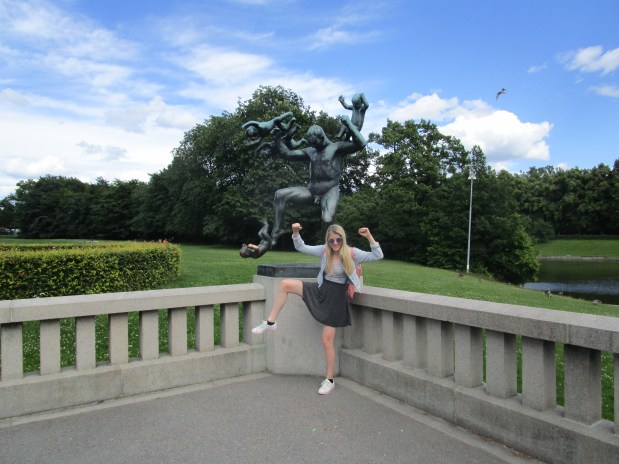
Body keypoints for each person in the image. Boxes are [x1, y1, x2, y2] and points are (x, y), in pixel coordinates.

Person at [252, 222, 383, 395]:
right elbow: (301, 247)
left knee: (327, 341)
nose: (335, 244)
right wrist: (295, 232)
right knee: (285, 285)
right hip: (321, 290)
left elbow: (377, 255)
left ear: (343, 239)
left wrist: (368, 236)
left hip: (336, 299)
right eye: (331, 241)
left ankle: (329, 380)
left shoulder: (352, 253)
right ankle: (270, 322)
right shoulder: (324, 250)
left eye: (338, 240)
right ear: (327, 241)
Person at [269, 116, 366, 247]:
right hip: (311, 190)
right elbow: (288, 154)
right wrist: (277, 139)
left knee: (327, 219)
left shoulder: (337, 148)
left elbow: (361, 143)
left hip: (329, 190)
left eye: (315, 143)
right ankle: (276, 232)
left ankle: (328, 249)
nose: (313, 146)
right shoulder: (311, 151)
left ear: (321, 138)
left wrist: (349, 124)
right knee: (280, 194)